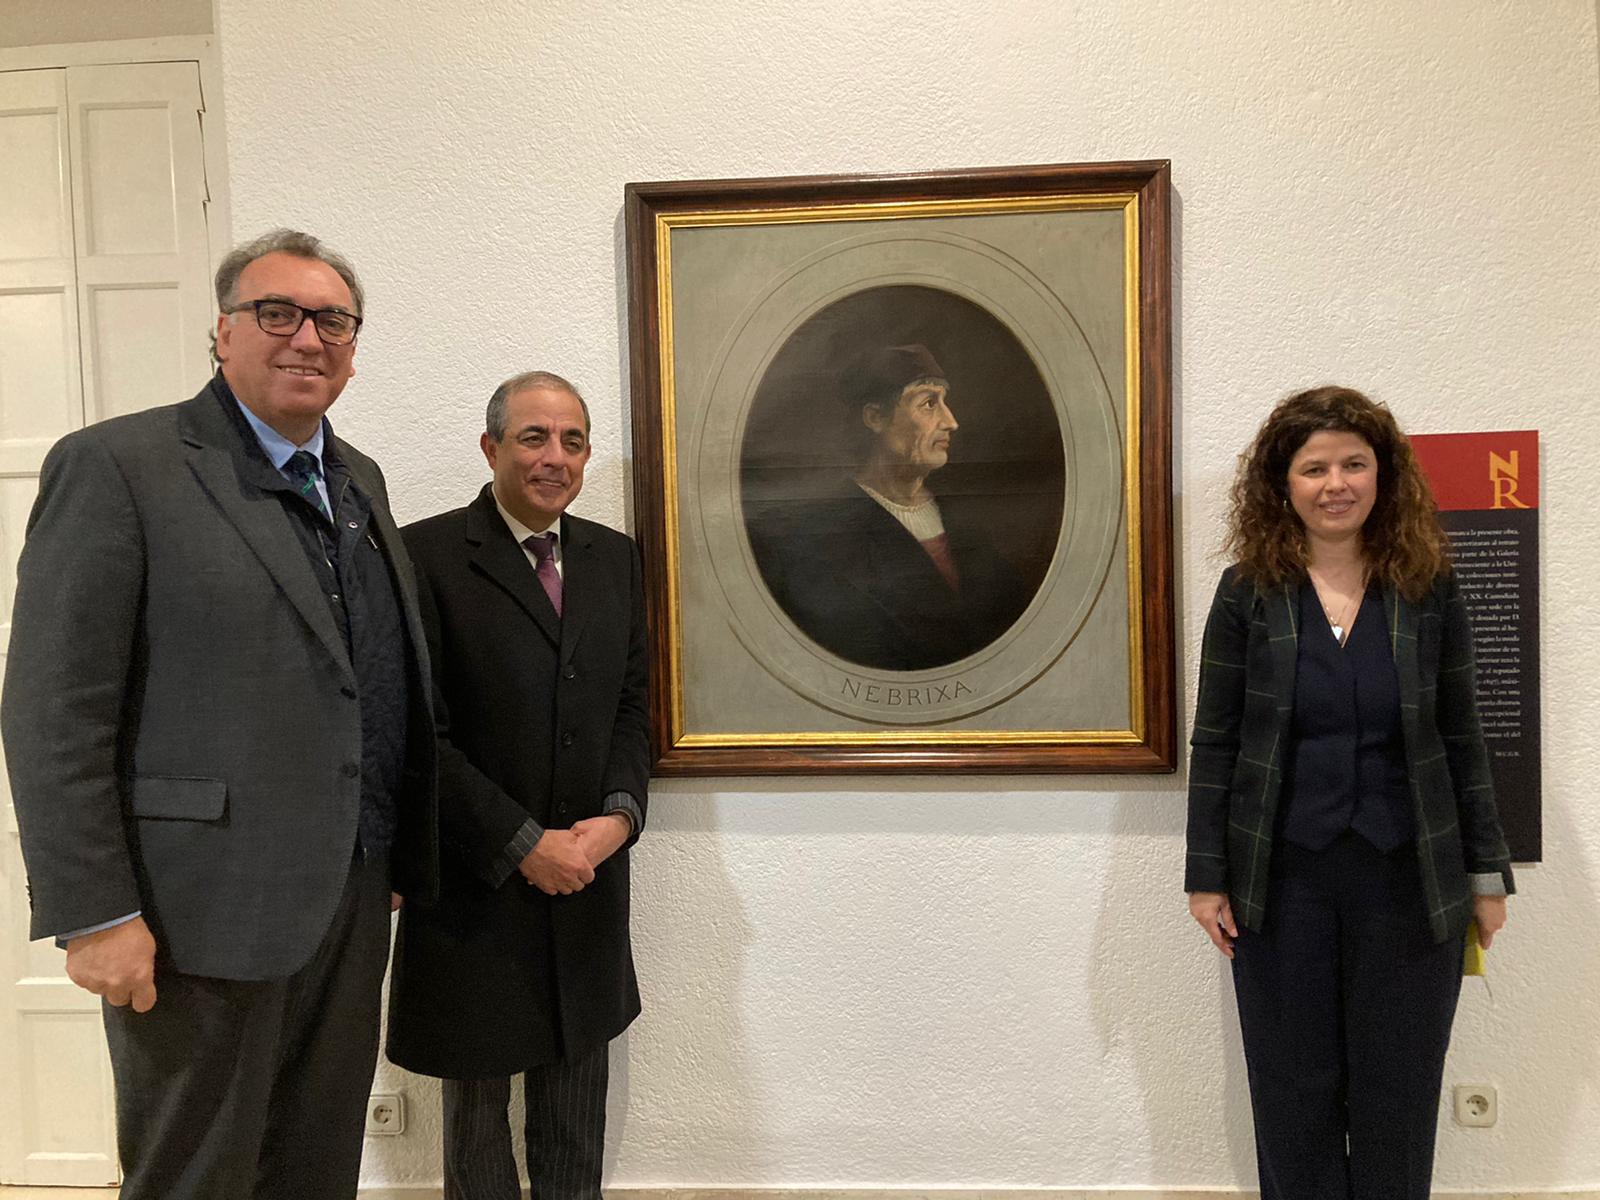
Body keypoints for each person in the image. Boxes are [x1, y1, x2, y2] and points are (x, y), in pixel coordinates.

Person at [0, 228, 438, 1199]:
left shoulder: (360, 479)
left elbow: (370, 675)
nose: (305, 337)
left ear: (354, 347)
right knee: (193, 1176)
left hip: (350, 902)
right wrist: (95, 912)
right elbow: (52, 709)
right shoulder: (120, 467)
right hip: (193, 912)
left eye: (331, 320)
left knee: (314, 1166)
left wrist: (395, 852)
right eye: (275, 312)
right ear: (222, 332)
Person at [1184, 385, 1515, 1199]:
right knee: (1292, 1090)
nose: (1337, 483)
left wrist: (1485, 875)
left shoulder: (1428, 586)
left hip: (1410, 880)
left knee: (1398, 1092)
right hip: (1282, 880)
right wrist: (1206, 874)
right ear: (1283, 484)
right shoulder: (1245, 593)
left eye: (1355, 464)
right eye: (1315, 467)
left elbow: (1463, 735)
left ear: (1383, 475)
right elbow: (1216, 739)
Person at [385, 370, 649, 1200]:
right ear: (491, 446)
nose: (555, 457)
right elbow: (415, 733)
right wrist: (521, 842)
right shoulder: (421, 556)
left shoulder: (615, 558)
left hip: (589, 876)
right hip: (475, 881)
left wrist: (618, 819)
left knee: (577, 1097)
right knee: (478, 1115)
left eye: (573, 440)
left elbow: (633, 707)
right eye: (534, 437)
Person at [744, 343, 1029, 671]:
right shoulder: (821, 535)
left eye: (945, 403)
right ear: (875, 418)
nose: (951, 422)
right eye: (928, 404)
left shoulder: (965, 523)